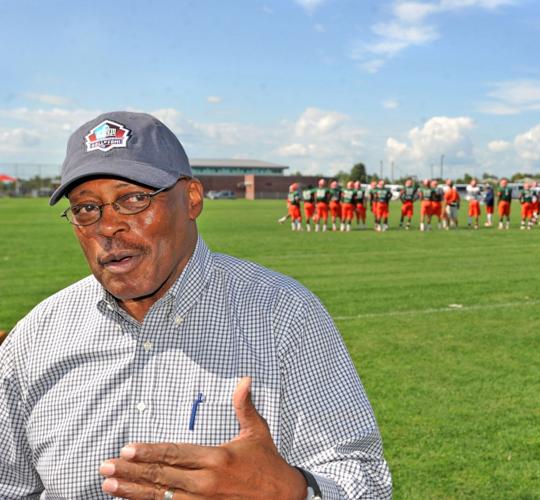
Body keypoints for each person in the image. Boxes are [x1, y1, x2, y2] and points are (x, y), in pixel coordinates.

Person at [0, 112, 392, 499]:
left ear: (191, 199)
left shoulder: (283, 315)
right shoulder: (34, 338)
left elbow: (366, 482)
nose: (107, 226)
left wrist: (295, 491)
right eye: (86, 208)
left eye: (133, 199)